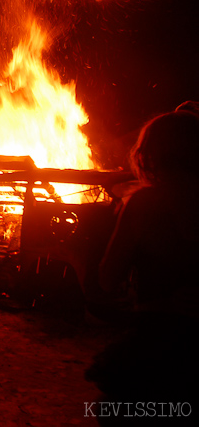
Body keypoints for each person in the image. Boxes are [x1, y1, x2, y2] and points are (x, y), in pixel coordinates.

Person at [85, 109, 199, 415]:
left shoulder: (146, 203)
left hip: (159, 346)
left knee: (115, 413)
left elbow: (107, 279)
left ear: (150, 153)